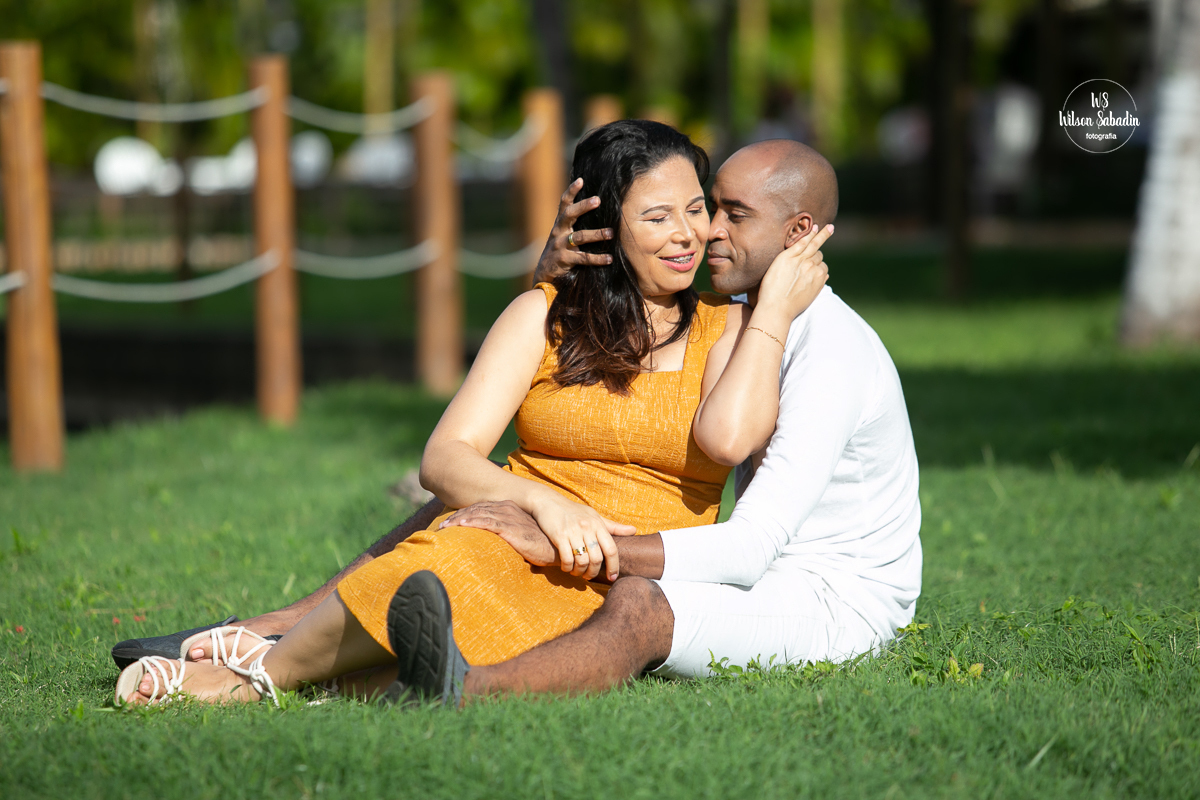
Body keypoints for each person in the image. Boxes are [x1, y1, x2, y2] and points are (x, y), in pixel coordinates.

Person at [113, 121, 831, 706]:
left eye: (697, 209)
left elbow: (732, 436)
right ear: (602, 223)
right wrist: (544, 507)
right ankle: (260, 675)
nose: (688, 233)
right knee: (457, 557)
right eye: (657, 216)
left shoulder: (730, 329)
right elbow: (447, 457)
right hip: (516, 529)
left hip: (632, 569)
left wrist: (770, 307)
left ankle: (255, 668)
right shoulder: (541, 316)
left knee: (481, 633)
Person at [381, 138, 922, 700]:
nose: (707, 230)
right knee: (468, 495)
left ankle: (463, 691)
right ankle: (289, 632)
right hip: (763, 579)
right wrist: (553, 282)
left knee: (637, 605)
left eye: (733, 215)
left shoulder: (832, 349)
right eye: (707, 207)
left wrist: (562, 543)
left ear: (797, 233)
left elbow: (748, 546)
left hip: (834, 602)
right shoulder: (747, 316)